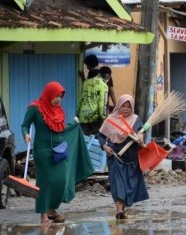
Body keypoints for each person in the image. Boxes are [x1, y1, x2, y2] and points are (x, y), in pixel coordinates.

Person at [21, 82, 94, 225]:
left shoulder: (59, 111)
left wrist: (73, 124)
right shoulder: (35, 108)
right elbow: (25, 125)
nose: (58, 99)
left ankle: (52, 209)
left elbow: (60, 128)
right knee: (45, 182)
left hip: (59, 149)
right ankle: (43, 214)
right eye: (56, 96)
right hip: (42, 151)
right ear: (49, 94)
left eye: (60, 96)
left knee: (61, 181)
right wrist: (26, 135)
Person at [97, 94, 149, 219]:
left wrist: (140, 139)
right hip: (115, 156)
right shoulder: (110, 120)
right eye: (123, 106)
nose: (126, 109)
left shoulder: (136, 119)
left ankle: (123, 207)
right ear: (118, 106)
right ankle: (119, 209)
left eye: (128, 107)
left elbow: (141, 132)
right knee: (117, 183)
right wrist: (104, 147)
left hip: (132, 159)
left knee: (129, 185)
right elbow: (101, 136)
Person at [77, 71, 109, 135]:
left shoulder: (85, 83)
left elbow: (80, 99)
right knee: (95, 141)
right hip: (95, 118)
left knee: (84, 139)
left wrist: (78, 113)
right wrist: (103, 117)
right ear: (107, 76)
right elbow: (102, 103)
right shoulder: (103, 85)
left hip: (83, 115)